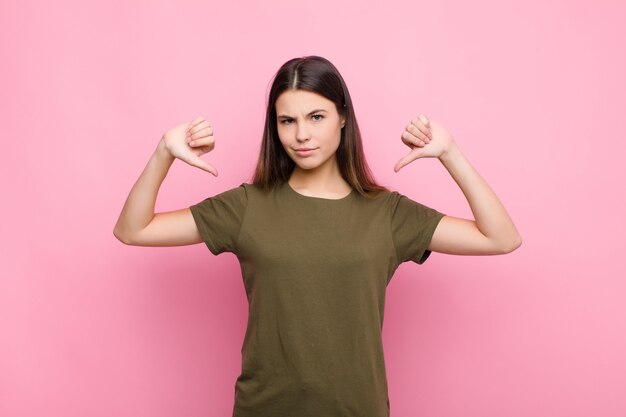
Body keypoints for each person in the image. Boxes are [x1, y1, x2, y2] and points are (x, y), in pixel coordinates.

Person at [113, 55, 521, 417]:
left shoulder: (388, 214)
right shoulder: (246, 207)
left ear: (343, 116)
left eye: (316, 117)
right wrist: (163, 152)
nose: (301, 135)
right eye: (287, 121)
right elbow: (133, 230)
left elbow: (501, 238)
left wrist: (449, 153)